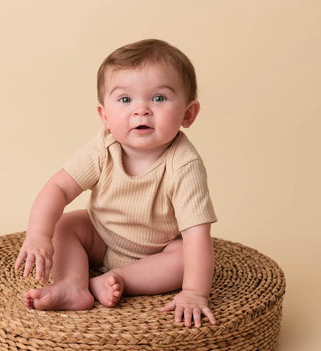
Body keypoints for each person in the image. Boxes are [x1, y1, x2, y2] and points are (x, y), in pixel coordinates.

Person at [15, 39, 217, 328]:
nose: (141, 110)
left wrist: (195, 292)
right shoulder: (103, 148)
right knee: (66, 224)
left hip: (156, 251)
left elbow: (197, 233)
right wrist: (38, 235)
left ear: (188, 113)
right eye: (125, 100)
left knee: (187, 255)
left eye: (159, 98)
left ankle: (120, 279)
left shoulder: (184, 165)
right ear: (105, 116)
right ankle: (72, 284)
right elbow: (58, 189)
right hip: (101, 237)